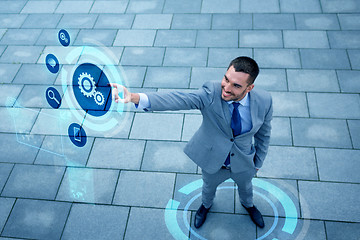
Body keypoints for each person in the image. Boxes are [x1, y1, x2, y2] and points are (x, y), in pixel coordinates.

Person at [110, 56, 273, 229]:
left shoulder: (264, 101)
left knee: (246, 188)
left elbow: (264, 135)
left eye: (236, 85)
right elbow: (178, 99)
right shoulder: (211, 92)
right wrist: (135, 97)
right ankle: (205, 206)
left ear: (249, 88)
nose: (226, 88)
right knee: (208, 188)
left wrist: (258, 162)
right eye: (226, 79)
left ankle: (248, 205)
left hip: (244, 161)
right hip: (213, 160)